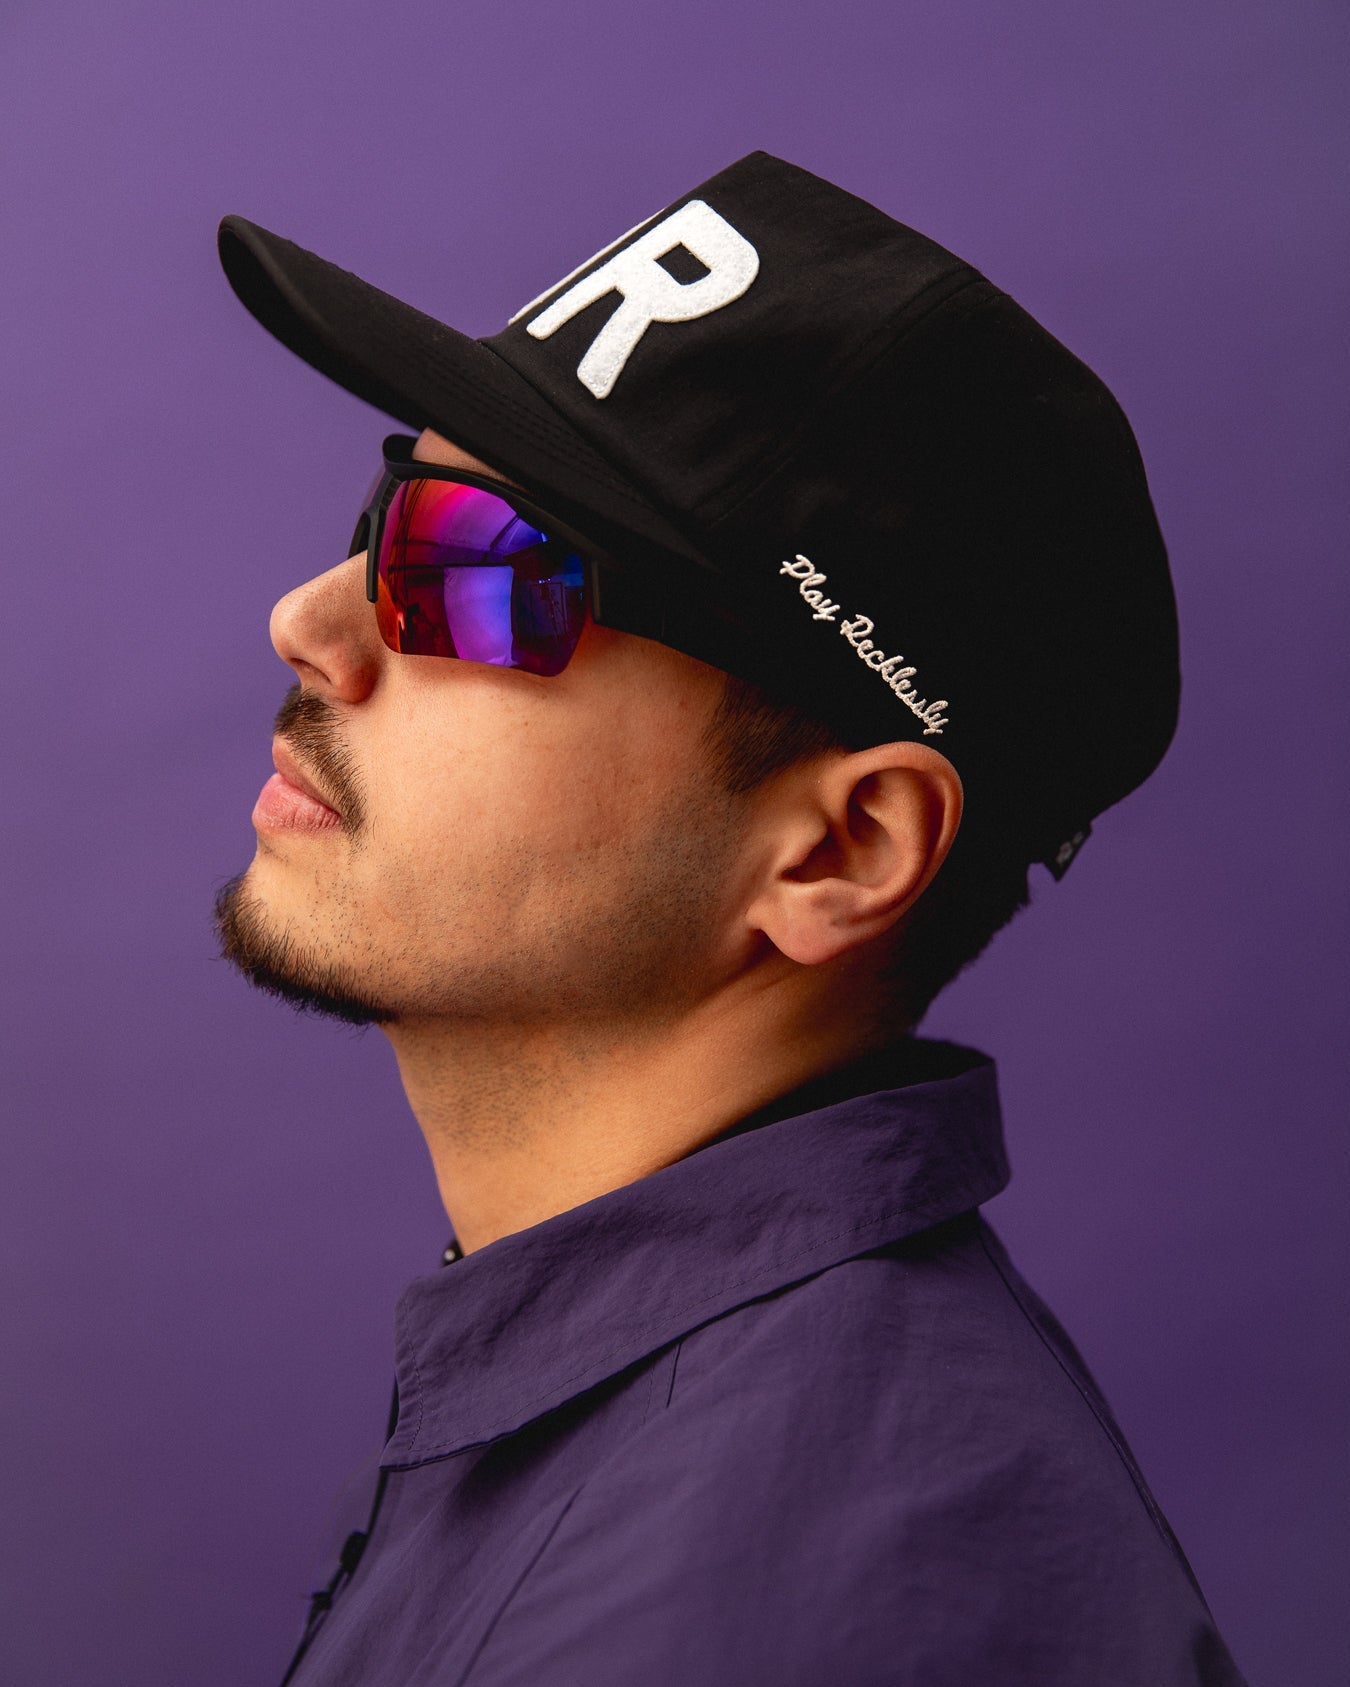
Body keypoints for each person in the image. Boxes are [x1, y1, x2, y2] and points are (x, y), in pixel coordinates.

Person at [213, 151, 1246, 1686]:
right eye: (387, 511)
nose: (310, 620)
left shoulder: (797, 1606)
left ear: (838, 850)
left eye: (479, 567)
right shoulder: (642, 1405)